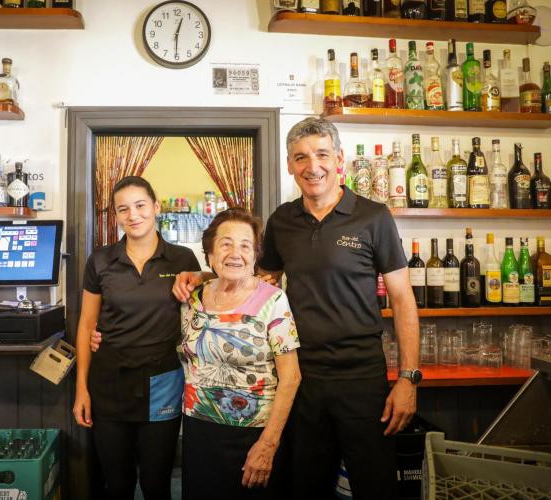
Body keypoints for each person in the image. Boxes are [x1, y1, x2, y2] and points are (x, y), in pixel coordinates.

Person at [174, 117, 420, 500]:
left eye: (322, 154)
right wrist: (204, 276)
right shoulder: (282, 221)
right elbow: (255, 279)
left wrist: (408, 377)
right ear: (290, 165)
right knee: (305, 486)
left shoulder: (373, 217)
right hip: (302, 379)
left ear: (339, 160)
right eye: (301, 157)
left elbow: (403, 299)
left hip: (360, 377)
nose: (312, 166)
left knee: (375, 486)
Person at [72, 176, 201, 500]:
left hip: (163, 382)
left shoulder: (183, 259)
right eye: (123, 209)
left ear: (156, 207)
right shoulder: (101, 261)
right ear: (116, 215)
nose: (133, 215)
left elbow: (217, 286)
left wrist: (202, 275)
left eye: (140, 205)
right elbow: (87, 326)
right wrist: (81, 389)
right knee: (118, 484)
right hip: (109, 383)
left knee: (157, 484)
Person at [179, 208, 301, 499]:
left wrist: (268, 444)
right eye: (226, 244)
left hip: (254, 434)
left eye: (245, 245)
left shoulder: (273, 300)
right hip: (198, 431)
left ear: (255, 255)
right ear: (209, 253)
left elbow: (291, 377)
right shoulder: (192, 298)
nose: (236, 253)